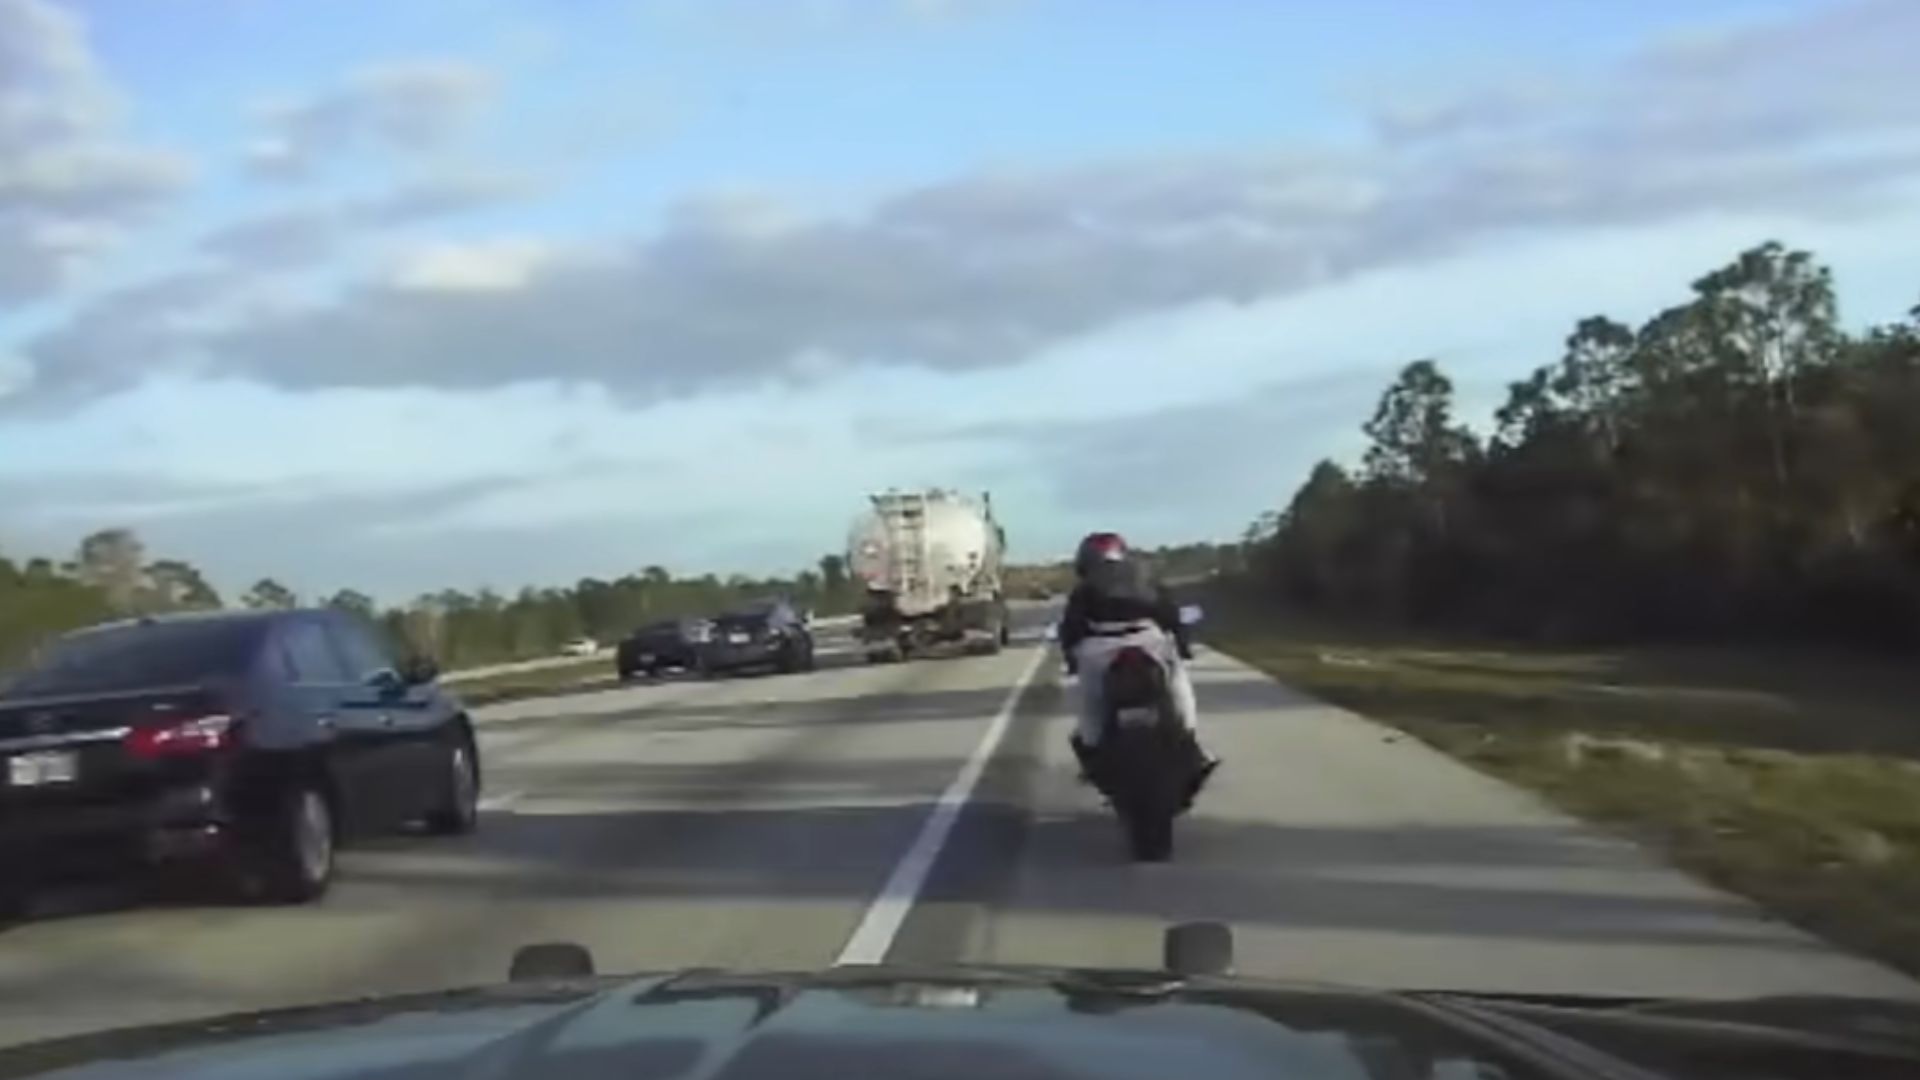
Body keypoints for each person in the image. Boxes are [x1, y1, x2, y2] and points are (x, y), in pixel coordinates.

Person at [1057, 532, 1217, 795]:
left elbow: (1071, 629)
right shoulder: (1146, 578)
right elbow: (1172, 615)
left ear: (1085, 561)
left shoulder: (1083, 591)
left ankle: (1094, 758)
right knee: (1178, 686)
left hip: (1098, 650)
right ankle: (1193, 746)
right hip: (1149, 643)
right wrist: (1184, 646)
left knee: (1091, 705)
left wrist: (1071, 658)